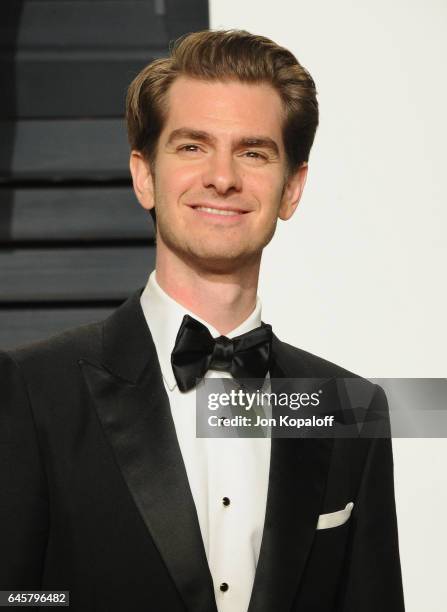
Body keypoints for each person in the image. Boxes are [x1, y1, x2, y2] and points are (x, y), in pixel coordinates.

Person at [0, 30, 404, 612]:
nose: (222, 177)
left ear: (292, 189)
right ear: (145, 176)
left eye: (253, 152)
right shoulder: (33, 391)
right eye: (192, 147)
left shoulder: (349, 410)